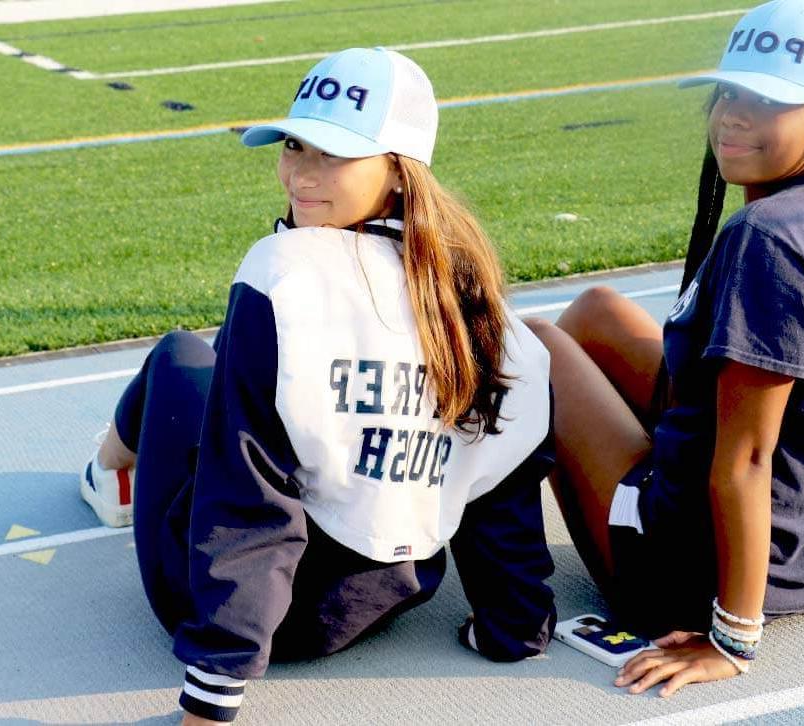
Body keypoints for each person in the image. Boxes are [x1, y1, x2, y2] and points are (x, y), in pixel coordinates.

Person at [80, 48, 556, 724]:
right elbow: (499, 479)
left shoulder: (282, 272)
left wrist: (211, 698)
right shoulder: (475, 298)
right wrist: (514, 626)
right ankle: (114, 465)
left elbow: (248, 492)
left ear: (397, 168)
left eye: (333, 154)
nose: (300, 172)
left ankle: (109, 471)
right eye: (294, 146)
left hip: (236, 614)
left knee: (180, 356)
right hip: (378, 601)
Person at [527, 0, 804, 698]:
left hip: (688, 573)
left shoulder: (765, 238)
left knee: (530, 347)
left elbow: (747, 457)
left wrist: (729, 636)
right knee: (595, 311)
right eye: (728, 91)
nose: (734, 114)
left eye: (769, 100)